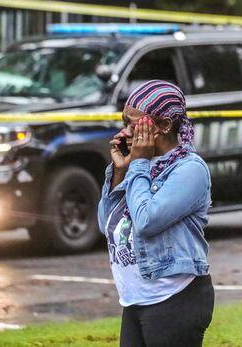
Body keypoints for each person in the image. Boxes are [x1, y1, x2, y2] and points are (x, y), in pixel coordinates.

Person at [97, 80, 214, 346]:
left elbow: (146, 221)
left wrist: (137, 164)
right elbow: (106, 226)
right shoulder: (138, 166)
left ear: (164, 125)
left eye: (135, 124)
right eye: (125, 121)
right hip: (136, 299)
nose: (125, 131)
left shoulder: (189, 170)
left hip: (175, 299)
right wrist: (119, 172)